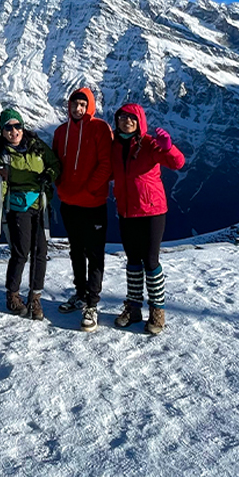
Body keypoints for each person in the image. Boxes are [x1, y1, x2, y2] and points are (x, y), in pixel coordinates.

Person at [110, 103, 186, 335]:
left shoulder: (150, 144)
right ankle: (133, 307)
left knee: (150, 261)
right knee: (133, 260)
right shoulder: (114, 146)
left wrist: (169, 148)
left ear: (140, 121)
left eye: (132, 118)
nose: (127, 121)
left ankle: (157, 310)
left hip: (151, 211)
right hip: (126, 210)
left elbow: (177, 163)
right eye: (123, 117)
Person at [0, 108, 61, 321]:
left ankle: (35, 297)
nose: (14, 131)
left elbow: (55, 164)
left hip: (39, 204)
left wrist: (48, 175)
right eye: (8, 128)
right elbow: (2, 182)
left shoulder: (36, 146)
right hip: (17, 207)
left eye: (17, 126)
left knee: (40, 252)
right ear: (2, 131)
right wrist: (28, 178)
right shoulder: (0, 156)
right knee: (20, 252)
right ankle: (13, 294)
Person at [51, 87, 113, 332]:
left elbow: (106, 164)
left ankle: (92, 303)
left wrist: (89, 189)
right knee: (76, 250)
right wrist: (61, 186)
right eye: (74, 104)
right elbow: (56, 161)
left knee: (95, 254)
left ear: (90, 106)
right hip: (69, 202)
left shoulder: (100, 128)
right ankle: (79, 293)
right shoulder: (60, 132)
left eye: (82, 104)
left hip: (93, 203)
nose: (78, 109)